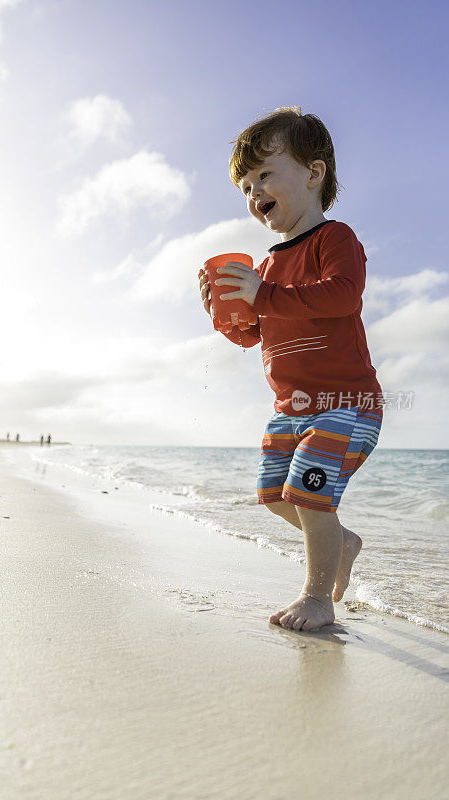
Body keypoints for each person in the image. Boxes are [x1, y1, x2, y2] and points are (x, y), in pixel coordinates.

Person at [198, 106, 384, 632]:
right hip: (291, 408)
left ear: (313, 173)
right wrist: (223, 309)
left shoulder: (335, 239)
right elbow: (254, 333)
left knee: (310, 492)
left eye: (263, 174)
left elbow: (343, 297)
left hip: (346, 402)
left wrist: (264, 293)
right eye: (245, 185)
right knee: (274, 494)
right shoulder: (268, 266)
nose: (254, 192)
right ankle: (342, 542)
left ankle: (317, 597)